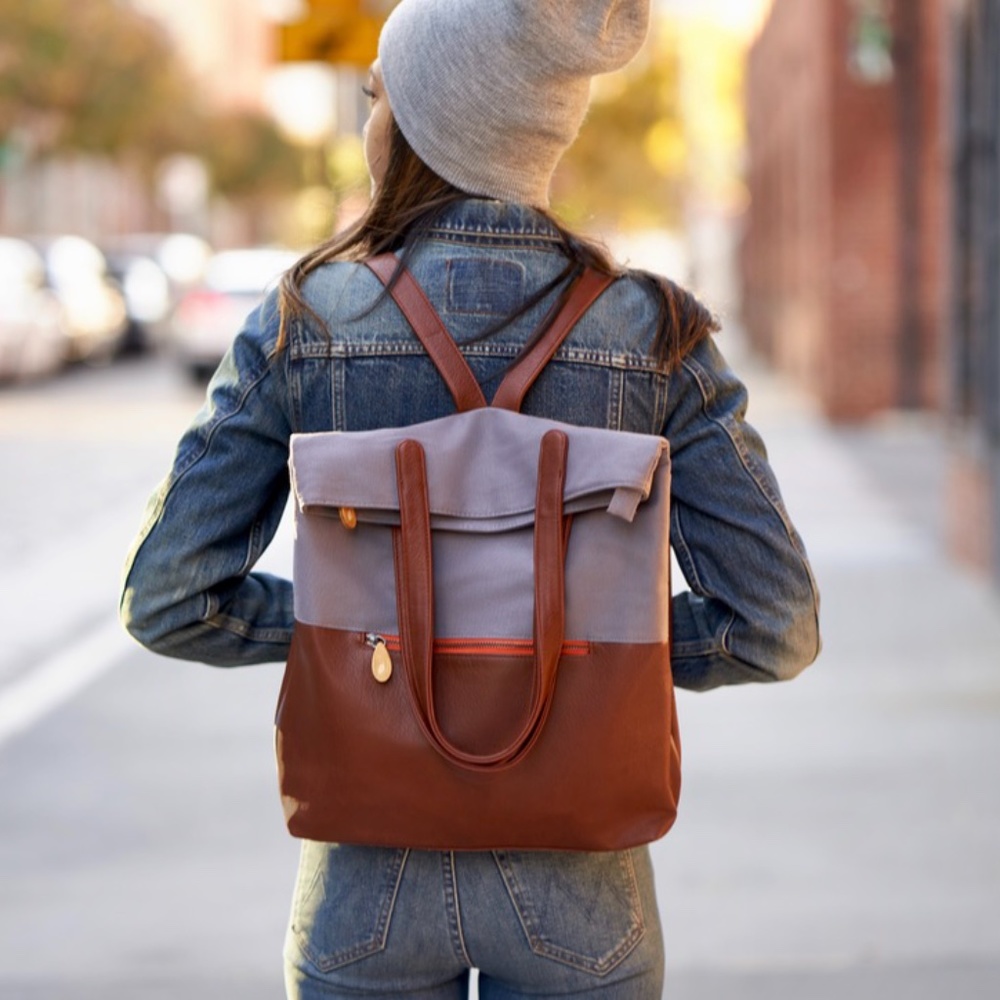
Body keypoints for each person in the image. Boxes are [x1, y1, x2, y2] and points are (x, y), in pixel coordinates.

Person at [119, 0, 821, 996]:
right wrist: (596, 648)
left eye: (376, 99)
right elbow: (776, 625)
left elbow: (167, 595)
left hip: (366, 881)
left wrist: (355, 633)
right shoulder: (654, 332)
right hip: (583, 883)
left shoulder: (305, 317)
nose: (368, 121)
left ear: (423, 128)